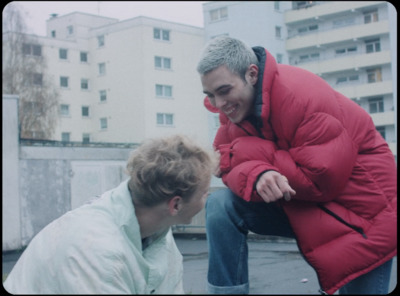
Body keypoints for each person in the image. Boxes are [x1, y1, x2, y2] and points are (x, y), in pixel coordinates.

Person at [197, 36, 397, 294]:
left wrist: (253, 158)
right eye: (210, 95)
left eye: (224, 91)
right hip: (308, 205)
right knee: (220, 206)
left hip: (364, 213)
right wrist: (258, 172)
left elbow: (319, 181)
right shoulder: (235, 112)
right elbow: (226, 163)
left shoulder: (302, 96)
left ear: (252, 74)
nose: (219, 105)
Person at [4, 134, 215, 294]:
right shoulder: (95, 251)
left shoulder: (156, 229)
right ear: (175, 205)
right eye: (205, 193)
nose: (208, 198)